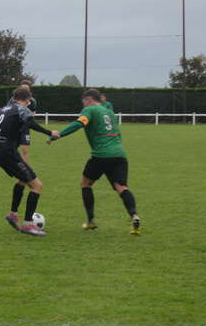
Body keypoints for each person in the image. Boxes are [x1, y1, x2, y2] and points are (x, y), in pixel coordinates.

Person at [0, 86, 60, 236]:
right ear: (28, 100)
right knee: (37, 185)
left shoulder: (1, 110)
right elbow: (30, 123)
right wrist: (50, 132)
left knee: (23, 180)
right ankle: (28, 225)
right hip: (9, 154)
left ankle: (13, 215)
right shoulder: (22, 109)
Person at [47, 88, 141, 235]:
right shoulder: (108, 111)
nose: (83, 106)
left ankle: (91, 221)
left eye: (83, 102)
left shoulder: (89, 110)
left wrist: (58, 135)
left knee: (85, 183)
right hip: (119, 154)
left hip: (101, 155)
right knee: (121, 187)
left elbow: (79, 123)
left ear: (88, 100)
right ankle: (134, 215)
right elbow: (108, 105)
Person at [18, 79, 37, 163]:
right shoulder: (13, 100)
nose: (24, 91)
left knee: (25, 151)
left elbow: (32, 115)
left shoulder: (32, 101)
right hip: (13, 128)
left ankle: (25, 171)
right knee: (11, 150)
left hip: (25, 128)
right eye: (23, 89)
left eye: (26, 89)